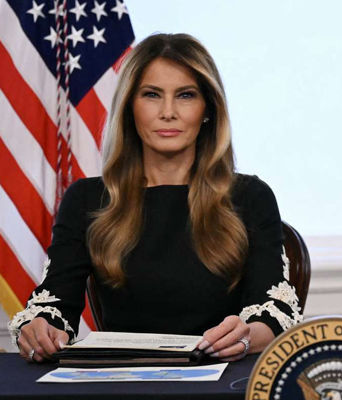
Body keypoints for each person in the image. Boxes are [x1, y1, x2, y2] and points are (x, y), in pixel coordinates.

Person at [9, 33, 302, 362]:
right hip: (118, 381)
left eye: (186, 95)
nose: (168, 112)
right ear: (130, 107)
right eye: (151, 95)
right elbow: (53, 305)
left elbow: (274, 311)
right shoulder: (86, 200)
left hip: (222, 376)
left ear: (208, 108)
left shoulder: (251, 197)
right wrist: (40, 329)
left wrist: (246, 336)